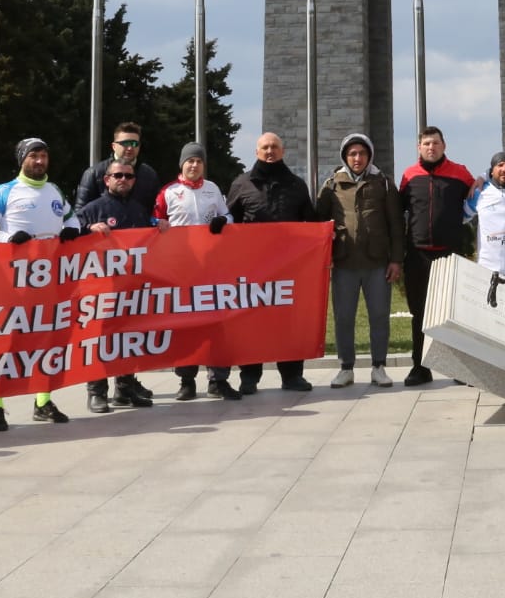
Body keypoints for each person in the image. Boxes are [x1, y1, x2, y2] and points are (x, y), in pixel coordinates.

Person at [0, 137, 85, 430]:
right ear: (22, 159)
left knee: (46, 339)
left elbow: (71, 219)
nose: (39, 161)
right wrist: (8, 238)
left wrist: (71, 231)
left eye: (43, 156)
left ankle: (42, 401)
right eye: (33, 156)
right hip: (14, 283)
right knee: (8, 343)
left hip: (49, 282)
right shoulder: (4, 191)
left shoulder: (54, 190)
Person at [226, 132, 321, 392]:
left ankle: (292, 375)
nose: (270, 151)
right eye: (265, 147)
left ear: (283, 151)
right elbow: (229, 221)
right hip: (251, 269)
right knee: (251, 322)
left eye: (274, 147)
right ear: (257, 151)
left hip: (288, 269)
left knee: (288, 322)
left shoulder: (296, 185)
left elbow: (311, 225)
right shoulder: (241, 184)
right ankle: (249, 376)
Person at [315, 133, 404, 389]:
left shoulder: (384, 184)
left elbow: (396, 226)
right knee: (344, 317)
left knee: (379, 316)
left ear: (369, 156)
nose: (357, 158)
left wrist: (396, 260)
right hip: (344, 263)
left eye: (361, 153)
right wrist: (323, 257)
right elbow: (319, 223)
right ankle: (346, 368)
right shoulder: (332, 184)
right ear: (345, 157)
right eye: (352, 154)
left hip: (377, 263)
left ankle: (379, 366)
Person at [75, 159, 158, 413]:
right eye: (118, 175)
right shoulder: (91, 209)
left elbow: (150, 243)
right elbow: (68, 237)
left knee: (128, 339)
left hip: (131, 289)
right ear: (107, 180)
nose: (124, 179)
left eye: (129, 176)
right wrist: (88, 229)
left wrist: (161, 227)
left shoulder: (138, 210)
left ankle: (124, 389)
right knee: (98, 340)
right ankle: (97, 393)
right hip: (99, 291)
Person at [155, 143, 237, 401]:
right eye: (189, 161)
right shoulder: (169, 192)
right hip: (182, 270)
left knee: (216, 324)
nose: (194, 165)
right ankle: (186, 381)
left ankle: (218, 380)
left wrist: (223, 220)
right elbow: (153, 223)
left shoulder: (212, 189)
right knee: (186, 327)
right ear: (182, 164)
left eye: (198, 162)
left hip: (212, 268)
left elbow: (229, 216)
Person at [399, 126, 475, 387]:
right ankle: (420, 367)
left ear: (444, 146)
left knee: (452, 313)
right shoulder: (409, 176)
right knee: (419, 313)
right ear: (419, 148)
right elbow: (401, 211)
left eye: (436, 143)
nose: (431, 147)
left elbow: (477, 200)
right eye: (426, 143)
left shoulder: (461, 174)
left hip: (449, 253)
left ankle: (460, 369)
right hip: (417, 255)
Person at [73, 121, 161, 220]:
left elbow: (156, 212)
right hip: (104, 233)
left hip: (139, 233)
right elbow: (79, 215)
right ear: (114, 146)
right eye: (125, 143)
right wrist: (91, 226)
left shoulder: (149, 175)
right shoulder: (94, 173)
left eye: (134, 143)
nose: (129, 148)